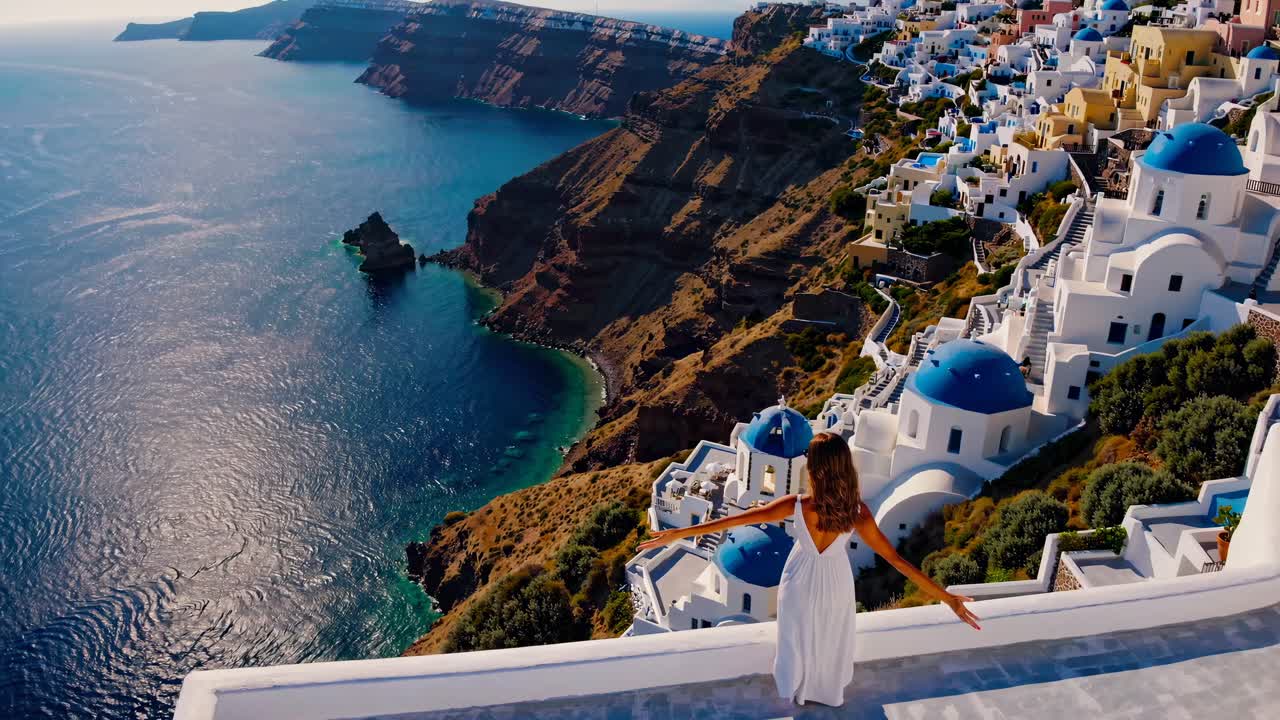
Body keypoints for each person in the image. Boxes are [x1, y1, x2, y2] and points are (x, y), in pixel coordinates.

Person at [637, 432, 981, 706]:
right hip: (835, 582)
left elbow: (735, 520)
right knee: (829, 637)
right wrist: (945, 597)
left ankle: (796, 688)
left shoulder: (797, 505)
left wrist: (677, 533)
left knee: (796, 635)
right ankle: (826, 692)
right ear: (844, 467)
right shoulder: (857, 513)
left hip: (799, 577)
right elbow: (896, 560)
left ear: (814, 469)